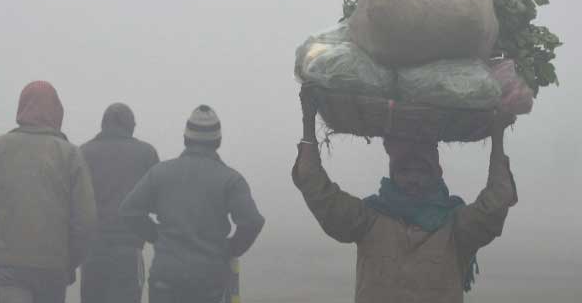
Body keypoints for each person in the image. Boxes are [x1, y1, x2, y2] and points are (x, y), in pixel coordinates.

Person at [293, 85, 518, 303]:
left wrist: (497, 136)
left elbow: (497, 201)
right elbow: (315, 187)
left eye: (422, 171)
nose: (413, 179)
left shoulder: (456, 225)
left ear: (437, 174)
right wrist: (308, 121)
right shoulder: (369, 218)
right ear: (393, 174)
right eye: (404, 171)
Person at [120, 105, 265, 303]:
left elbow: (129, 212)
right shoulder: (231, 179)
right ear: (218, 140)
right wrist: (229, 249)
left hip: (165, 277)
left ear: (186, 138)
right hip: (209, 279)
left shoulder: (160, 173)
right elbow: (252, 222)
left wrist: (157, 237)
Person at [0, 81, 97, 303]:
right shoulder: (70, 155)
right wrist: (68, 262)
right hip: (53, 269)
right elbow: (85, 220)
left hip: (9, 268)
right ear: (57, 112)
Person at [79, 103, 160, 303]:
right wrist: (153, 234)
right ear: (130, 125)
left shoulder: (82, 153)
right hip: (129, 252)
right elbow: (159, 203)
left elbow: (75, 204)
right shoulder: (146, 153)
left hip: (92, 252)